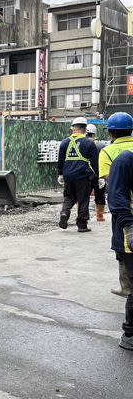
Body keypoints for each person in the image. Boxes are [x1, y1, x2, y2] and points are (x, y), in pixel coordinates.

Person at [98, 112, 133, 297]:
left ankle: (126, 286)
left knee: (122, 243)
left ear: (110, 132)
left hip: (124, 207)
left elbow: (110, 181)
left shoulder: (106, 151)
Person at [104, 148, 133, 350]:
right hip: (129, 236)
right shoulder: (126, 160)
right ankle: (130, 334)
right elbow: (115, 197)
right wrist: (130, 228)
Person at [57, 117, 99, 232]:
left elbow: (60, 161)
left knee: (69, 197)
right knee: (83, 200)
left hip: (68, 176)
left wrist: (60, 174)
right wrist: (98, 177)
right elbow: (95, 163)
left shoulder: (65, 143)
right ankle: (82, 225)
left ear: (73, 128)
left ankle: (65, 213)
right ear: (85, 129)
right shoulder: (89, 143)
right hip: (83, 176)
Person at [85, 124, 107, 223]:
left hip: (86, 174)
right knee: (100, 196)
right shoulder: (101, 145)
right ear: (94, 133)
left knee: (84, 196)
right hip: (99, 174)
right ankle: (100, 216)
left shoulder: (82, 144)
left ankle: (83, 216)